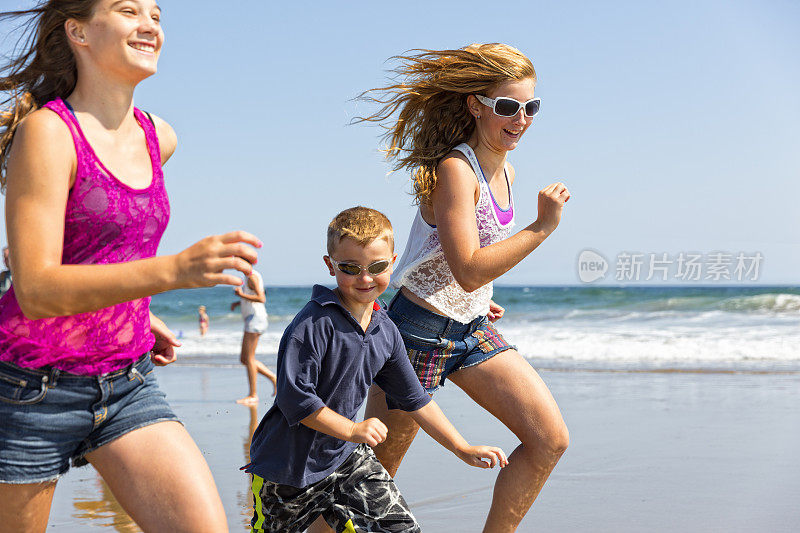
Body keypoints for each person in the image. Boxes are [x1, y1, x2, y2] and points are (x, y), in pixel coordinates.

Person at [0, 1, 262, 531]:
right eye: (128, 11)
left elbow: (103, 253)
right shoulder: (49, 135)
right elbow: (36, 288)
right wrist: (175, 271)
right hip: (31, 389)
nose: (150, 26)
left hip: (127, 381)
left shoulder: (157, 137)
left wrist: (134, 314)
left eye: (157, 16)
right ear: (78, 31)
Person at [354, 44, 571, 532]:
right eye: (508, 107)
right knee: (371, 480)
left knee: (548, 440)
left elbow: (463, 269)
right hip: (414, 336)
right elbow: (469, 265)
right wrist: (541, 227)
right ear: (476, 105)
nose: (520, 119)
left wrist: (479, 296)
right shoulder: (456, 169)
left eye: (530, 108)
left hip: (470, 330)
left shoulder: (506, 170)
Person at [245, 207, 508, 533]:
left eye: (377, 266)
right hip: (285, 468)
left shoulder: (385, 330)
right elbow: (295, 400)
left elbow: (415, 398)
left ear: (393, 261)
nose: (365, 278)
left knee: (401, 529)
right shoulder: (313, 324)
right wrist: (353, 431)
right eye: (350, 268)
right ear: (330, 265)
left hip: (345, 460)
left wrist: (461, 447)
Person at [230, 269, 277, 404]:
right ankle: (273, 378)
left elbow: (261, 298)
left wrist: (240, 294)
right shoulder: (248, 277)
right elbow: (252, 297)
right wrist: (239, 302)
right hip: (252, 319)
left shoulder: (252, 277)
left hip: (255, 319)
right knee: (244, 359)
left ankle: (253, 395)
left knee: (249, 358)